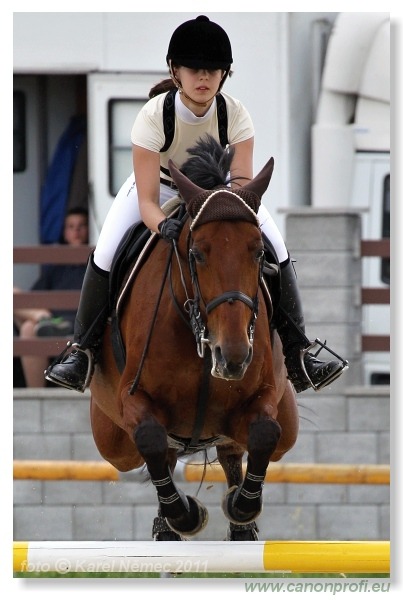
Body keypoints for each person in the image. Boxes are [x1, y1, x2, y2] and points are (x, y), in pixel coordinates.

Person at [45, 15, 345, 394]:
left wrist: (226, 209)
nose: (204, 77)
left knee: (278, 249)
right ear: (175, 70)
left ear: (225, 74)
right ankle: (82, 351)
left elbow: (240, 184)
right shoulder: (154, 116)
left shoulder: (234, 113)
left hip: (219, 194)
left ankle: (301, 353)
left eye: (213, 70)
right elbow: (149, 200)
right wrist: (161, 226)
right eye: (194, 69)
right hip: (163, 191)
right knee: (105, 252)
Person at [17, 207, 89, 387]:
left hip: (80, 329)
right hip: (51, 326)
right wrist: (40, 315)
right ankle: (36, 398)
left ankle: (47, 321)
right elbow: (32, 299)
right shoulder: (57, 267)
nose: (76, 231)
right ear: (65, 233)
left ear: (89, 230)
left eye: (81, 225)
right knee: (27, 325)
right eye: (71, 226)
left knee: (28, 327)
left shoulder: (96, 262)